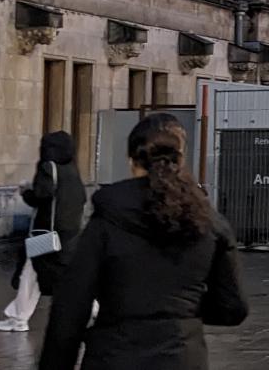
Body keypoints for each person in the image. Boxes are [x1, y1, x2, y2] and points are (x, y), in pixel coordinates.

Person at [40, 113, 247, 370]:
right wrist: (182, 311)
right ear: (180, 160)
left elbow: (71, 305)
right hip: (182, 358)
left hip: (115, 355)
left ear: (132, 162)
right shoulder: (209, 222)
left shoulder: (107, 219)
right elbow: (232, 307)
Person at [0, 131, 84, 332]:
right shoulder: (72, 170)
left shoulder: (48, 168)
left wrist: (24, 191)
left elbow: (40, 196)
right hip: (68, 232)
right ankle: (93, 307)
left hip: (46, 233)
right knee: (54, 272)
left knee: (31, 271)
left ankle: (19, 318)